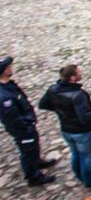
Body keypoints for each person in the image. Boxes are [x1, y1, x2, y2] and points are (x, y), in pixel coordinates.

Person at [39, 64, 91, 189]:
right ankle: (90, 181)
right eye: (78, 73)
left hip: (66, 129)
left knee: (75, 154)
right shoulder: (78, 95)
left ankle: (79, 175)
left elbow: (43, 104)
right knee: (87, 156)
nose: (81, 74)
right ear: (72, 78)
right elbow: (84, 118)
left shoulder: (53, 89)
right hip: (83, 132)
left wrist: (60, 111)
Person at [1, 57, 57, 187]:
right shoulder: (3, 97)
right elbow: (12, 119)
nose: (11, 68)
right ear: (3, 71)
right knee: (27, 152)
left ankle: (37, 161)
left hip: (27, 124)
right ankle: (33, 176)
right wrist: (28, 125)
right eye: (8, 67)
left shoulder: (9, 85)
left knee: (33, 147)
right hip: (23, 130)